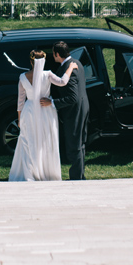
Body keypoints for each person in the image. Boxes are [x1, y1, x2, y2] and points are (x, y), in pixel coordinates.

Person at [9, 49, 74, 182]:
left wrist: (20, 119)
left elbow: (20, 101)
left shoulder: (22, 77)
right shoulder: (48, 74)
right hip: (45, 110)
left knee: (29, 141)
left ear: (31, 61)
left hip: (29, 112)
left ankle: (30, 172)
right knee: (45, 141)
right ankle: (46, 170)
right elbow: (62, 82)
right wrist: (71, 68)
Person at [48, 40, 90, 180]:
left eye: (53, 54)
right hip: (83, 108)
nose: (52, 56)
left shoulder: (69, 68)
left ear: (57, 54)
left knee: (74, 145)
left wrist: (53, 102)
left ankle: (76, 178)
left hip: (74, 111)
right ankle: (80, 176)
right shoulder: (76, 63)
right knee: (79, 144)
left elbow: (73, 97)